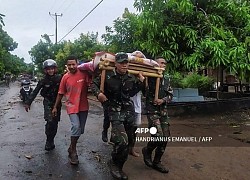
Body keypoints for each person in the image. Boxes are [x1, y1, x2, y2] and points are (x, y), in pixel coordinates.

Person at [92, 52, 145, 179]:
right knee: (122, 141)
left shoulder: (131, 78)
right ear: (115, 63)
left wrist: (141, 83)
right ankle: (115, 165)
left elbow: (132, 92)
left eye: (126, 63)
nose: (124, 65)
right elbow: (93, 84)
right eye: (121, 63)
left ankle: (118, 162)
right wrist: (98, 93)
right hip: (114, 110)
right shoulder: (108, 75)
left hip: (128, 111)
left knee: (128, 142)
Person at [52, 55, 90, 165]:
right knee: (76, 126)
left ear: (77, 63)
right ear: (66, 65)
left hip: (83, 106)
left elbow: (93, 80)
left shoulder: (84, 73)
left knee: (80, 130)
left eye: (73, 64)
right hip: (71, 105)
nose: (72, 66)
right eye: (69, 64)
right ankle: (73, 151)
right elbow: (60, 93)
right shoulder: (65, 77)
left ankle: (70, 147)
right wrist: (55, 107)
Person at [142, 56, 173, 173]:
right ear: (155, 64)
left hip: (163, 111)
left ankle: (157, 162)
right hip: (152, 111)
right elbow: (144, 92)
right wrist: (142, 79)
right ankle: (147, 150)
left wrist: (163, 100)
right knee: (158, 135)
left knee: (166, 137)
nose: (164, 64)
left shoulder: (167, 79)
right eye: (161, 63)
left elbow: (170, 95)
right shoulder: (148, 77)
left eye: (165, 63)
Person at [24, 59, 62, 151]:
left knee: (55, 123)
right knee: (50, 121)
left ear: (55, 69)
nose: (50, 71)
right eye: (48, 69)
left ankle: (51, 139)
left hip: (57, 103)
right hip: (48, 102)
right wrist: (28, 102)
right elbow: (35, 91)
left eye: (52, 68)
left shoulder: (60, 78)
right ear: (45, 70)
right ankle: (49, 140)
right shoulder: (43, 80)